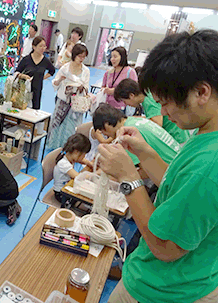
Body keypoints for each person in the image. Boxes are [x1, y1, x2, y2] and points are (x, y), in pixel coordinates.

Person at [100, 29, 218, 303]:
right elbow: (178, 187)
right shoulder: (205, 132)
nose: (163, 112)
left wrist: (129, 177)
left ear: (201, 92)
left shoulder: (210, 165)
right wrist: (147, 153)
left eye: (167, 103)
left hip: (164, 290)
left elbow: (165, 247)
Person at [93, 103, 180, 174]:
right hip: (178, 159)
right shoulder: (132, 121)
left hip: (171, 172)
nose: (104, 134)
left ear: (106, 124)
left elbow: (144, 172)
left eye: (102, 130)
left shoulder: (126, 136)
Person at [114, 78, 190, 144]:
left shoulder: (147, 100)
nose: (126, 104)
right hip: (178, 132)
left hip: (176, 136)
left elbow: (157, 123)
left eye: (125, 101)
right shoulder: (147, 94)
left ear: (131, 96)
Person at [47, 44, 90, 150]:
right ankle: (54, 146)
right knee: (58, 125)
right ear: (74, 55)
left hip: (76, 104)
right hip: (62, 102)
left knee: (72, 127)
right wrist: (60, 80)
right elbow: (55, 84)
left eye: (84, 56)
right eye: (80, 56)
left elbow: (86, 87)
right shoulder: (65, 68)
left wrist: (80, 87)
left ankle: (69, 147)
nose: (82, 59)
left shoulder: (85, 71)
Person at [16, 36, 55, 109]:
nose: (43, 48)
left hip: (37, 90)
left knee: (35, 110)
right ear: (34, 46)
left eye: (44, 46)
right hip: (24, 89)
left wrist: (42, 77)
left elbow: (52, 71)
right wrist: (24, 76)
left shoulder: (45, 61)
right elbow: (17, 72)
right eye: (40, 46)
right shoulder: (26, 59)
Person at [53, 133, 92, 203]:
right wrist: (95, 174)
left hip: (67, 187)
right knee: (85, 198)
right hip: (61, 193)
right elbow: (79, 177)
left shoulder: (69, 156)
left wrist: (90, 163)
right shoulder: (64, 164)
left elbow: (82, 160)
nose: (84, 157)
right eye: (84, 154)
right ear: (76, 152)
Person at [102, 46, 138, 111]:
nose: (112, 59)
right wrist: (105, 90)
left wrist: (115, 91)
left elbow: (134, 90)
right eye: (111, 56)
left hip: (122, 108)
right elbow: (103, 87)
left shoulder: (130, 72)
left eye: (115, 57)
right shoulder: (108, 73)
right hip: (107, 106)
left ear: (122, 57)